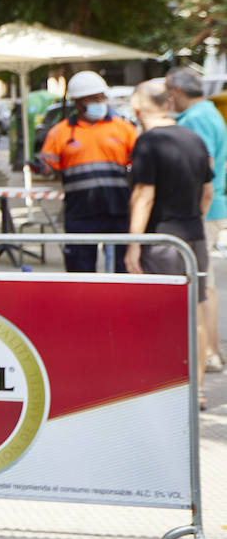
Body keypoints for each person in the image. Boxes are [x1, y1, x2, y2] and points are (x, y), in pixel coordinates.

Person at [124, 79, 213, 409]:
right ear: (168, 103)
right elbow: (207, 193)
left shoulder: (148, 141)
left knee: (159, 316)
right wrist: (194, 220)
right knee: (196, 314)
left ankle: (160, 390)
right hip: (194, 239)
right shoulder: (195, 138)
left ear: (138, 109)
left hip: (162, 241)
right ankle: (198, 390)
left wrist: (134, 245)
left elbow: (144, 195)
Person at [37, 70, 138, 272]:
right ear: (78, 102)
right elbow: (47, 167)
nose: (100, 102)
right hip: (80, 213)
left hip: (117, 210)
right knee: (80, 270)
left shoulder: (124, 128)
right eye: (94, 98)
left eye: (101, 97)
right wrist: (39, 166)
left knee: (123, 270)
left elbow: (139, 164)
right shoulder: (60, 132)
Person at [166, 66, 226, 373]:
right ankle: (212, 352)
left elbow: (203, 167)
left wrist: (196, 214)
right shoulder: (207, 112)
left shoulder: (198, 118)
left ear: (175, 92)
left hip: (202, 210)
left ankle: (209, 354)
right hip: (208, 207)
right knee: (206, 285)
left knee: (202, 287)